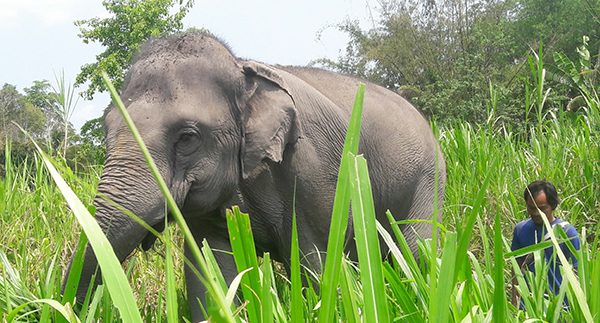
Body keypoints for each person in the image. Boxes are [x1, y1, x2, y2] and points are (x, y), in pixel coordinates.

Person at [510, 180, 581, 306]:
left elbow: (577, 273)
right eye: (531, 208)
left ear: (552, 205)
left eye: (542, 208)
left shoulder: (567, 233)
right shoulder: (520, 230)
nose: (535, 213)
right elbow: (517, 268)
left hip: (560, 308)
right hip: (529, 307)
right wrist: (515, 300)